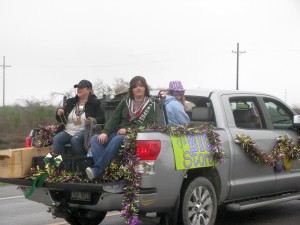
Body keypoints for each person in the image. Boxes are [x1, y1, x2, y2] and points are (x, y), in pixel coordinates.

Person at [86, 76, 160, 180]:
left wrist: (129, 130)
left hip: (137, 135)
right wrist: (105, 132)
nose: (138, 88)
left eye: (141, 86)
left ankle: (97, 170)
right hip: (120, 132)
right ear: (131, 89)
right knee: (95, 139)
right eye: (135, 86)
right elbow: (114, 118)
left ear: (145, 88)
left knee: (117, 139)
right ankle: (106, 171)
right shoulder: (125, 101)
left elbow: (151, 124)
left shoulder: (152, 104)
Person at [53, 79, 105, 156]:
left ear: (89, 90)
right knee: (57, 139)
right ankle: (63, 164)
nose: (78, 89)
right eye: (77, 88)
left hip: (85, 130)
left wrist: (92, 120)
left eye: (81, 88)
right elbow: (62, 120)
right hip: (69, 130)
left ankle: (81, 163)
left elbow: (102, 119)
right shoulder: (71, 102)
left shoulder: (95, 103)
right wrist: (59, 113)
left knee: (75, 140)